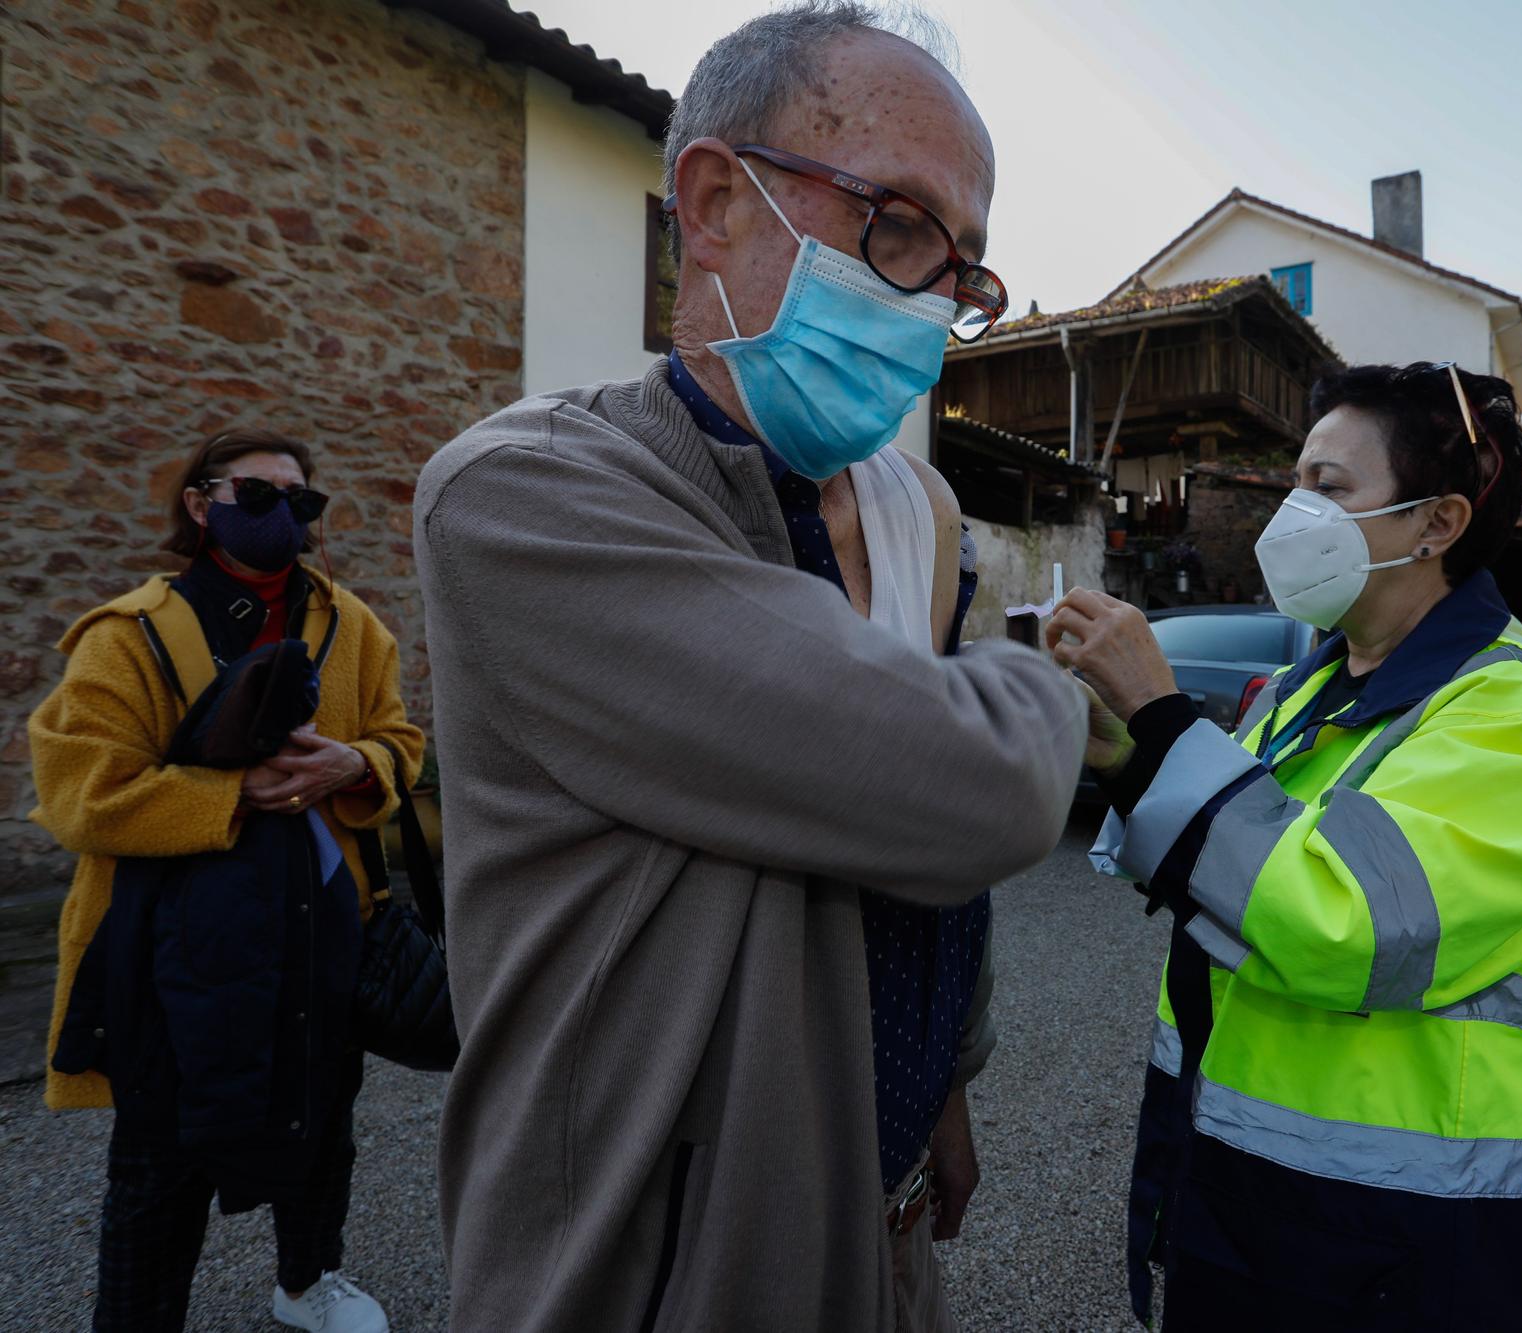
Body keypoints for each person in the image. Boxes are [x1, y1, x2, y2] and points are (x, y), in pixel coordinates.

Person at [412, 5, 1086, 1330]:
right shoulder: (522, 496)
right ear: (715, 203)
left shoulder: (909, 513)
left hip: (881, 1229)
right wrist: (1053, 680)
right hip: (656, 1275)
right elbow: (976, 788)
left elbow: (916, 870)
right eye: (898, 226)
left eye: (962, 269)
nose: (933, 301)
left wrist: (943, 1079)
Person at [1055, 362, 1522, 1330]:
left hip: (1404, 1222)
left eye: (1329, 487)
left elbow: (1348, 923)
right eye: (1294, 483)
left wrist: (1161, 711)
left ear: (1434, 523)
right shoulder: (1305, 686)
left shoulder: (1515, 708)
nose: (1289, 515)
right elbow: (1236, 859)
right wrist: (1128, 755)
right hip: (1240, 1165)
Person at [31, 429, 425, 1333]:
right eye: (257, 494)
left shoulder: (354, 625)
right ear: (201, 504)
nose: (281, 514)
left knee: (322, 1123)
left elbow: (402, 746)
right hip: (179, 942)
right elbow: (81, 795)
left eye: (300, 499)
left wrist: (353, 765)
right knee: (160, 1157)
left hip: (324, 924)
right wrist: (235, 791)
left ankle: (306, 1279)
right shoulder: (126, 636)